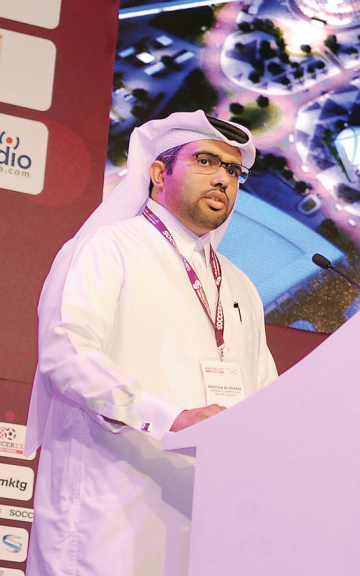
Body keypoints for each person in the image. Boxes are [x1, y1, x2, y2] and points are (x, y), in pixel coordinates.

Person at [24, 111, 278, 576]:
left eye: (233, 170)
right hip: (110, 515)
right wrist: (170, 418)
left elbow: (265, 394)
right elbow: (66, 357)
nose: (223, 178)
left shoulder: (241, 286)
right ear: (159, 173)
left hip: (207, 522)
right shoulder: (107, 247)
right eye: (206, 161)